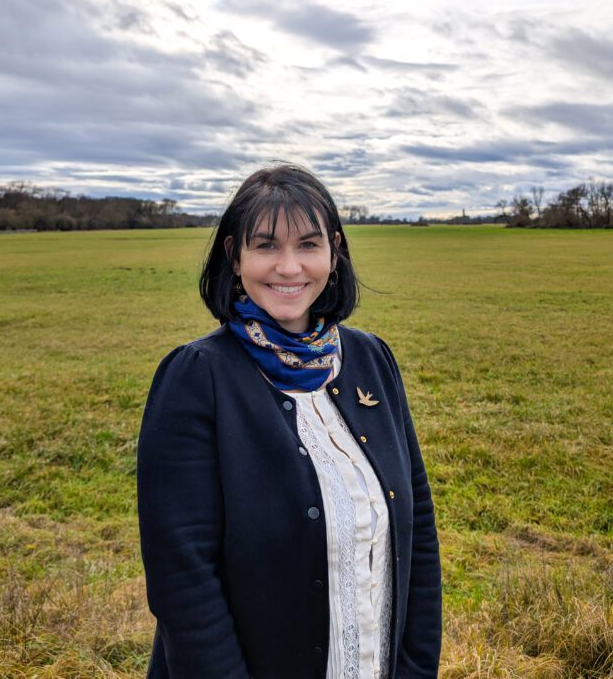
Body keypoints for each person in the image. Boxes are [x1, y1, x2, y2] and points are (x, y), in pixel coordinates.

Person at [137, 164, 441, 679]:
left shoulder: (371, 360)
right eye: (265, 246)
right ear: (234, 257)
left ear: (334, 252)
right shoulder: (196, 378)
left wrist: (415, 668)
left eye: (307, 245)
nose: (289, 267)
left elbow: (417, 529)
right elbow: (184, 581)